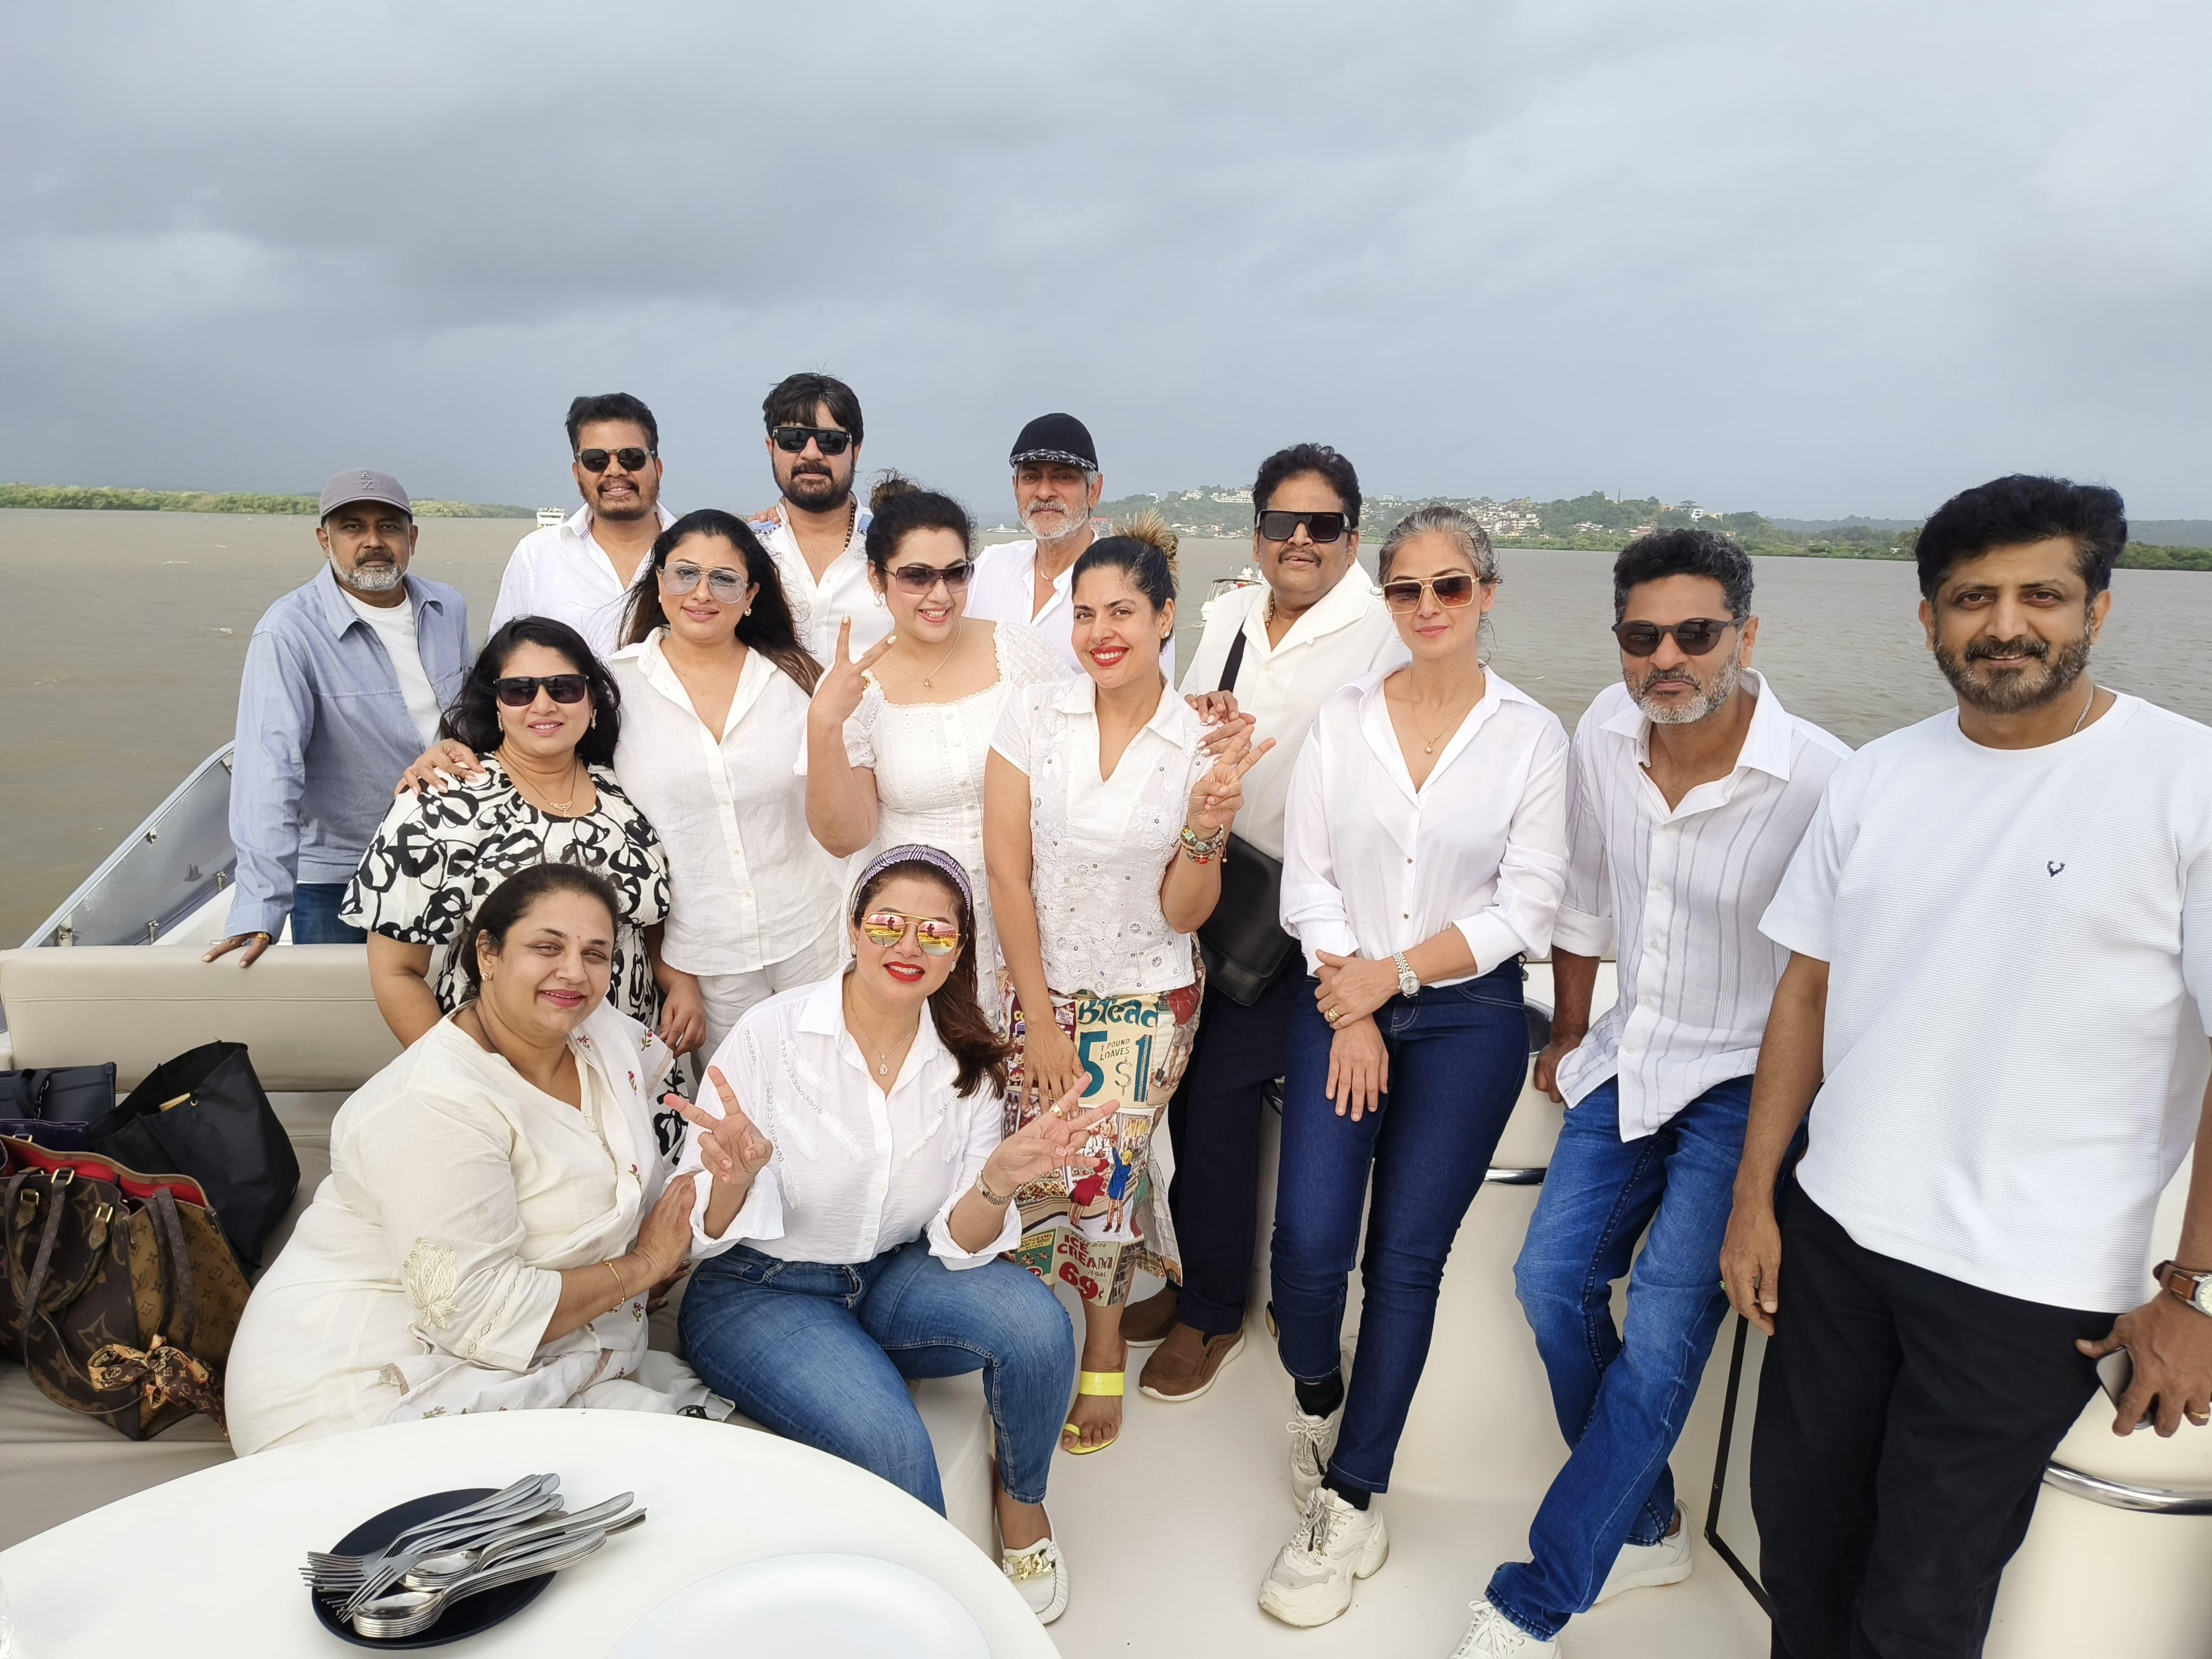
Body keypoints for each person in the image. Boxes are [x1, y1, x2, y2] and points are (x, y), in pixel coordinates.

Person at [1719, 474, 2212, 1659]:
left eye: (2041, 595)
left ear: (2096, 609)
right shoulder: (1878, 776)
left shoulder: (2185, 784)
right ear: (1929, 619)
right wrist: (1754, 1198)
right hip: (1838, 1236)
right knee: (1801, 1549)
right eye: (1971, 598)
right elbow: (1806, 991)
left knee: (1921, 1604)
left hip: (2031, 1283)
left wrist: (2191, 1294)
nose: (2004, 625)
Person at [1457, 531, 1849, 1657]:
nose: (1666, 657)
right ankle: (1646, 1517)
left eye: (1695, 633)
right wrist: (1568, 1029)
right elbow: (1584, 896)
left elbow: (1833, 979)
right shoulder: (1603, 728)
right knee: (1547, 1282)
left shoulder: (1821, 779)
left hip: (1750, 1080)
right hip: (1633, 1050)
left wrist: (1765, 1183)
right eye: (1642, 635)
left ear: (1745, 635)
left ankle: (1538, 1597)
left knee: (1668, 1323)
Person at [1260, 505, 1568, 1629]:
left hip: (1466, 1015)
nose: (1428, 606)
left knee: (1403, 1263)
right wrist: (1354, 1001)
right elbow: (1307, 882)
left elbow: (1525, 908)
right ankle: (1318, 1391)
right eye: (1406, 588)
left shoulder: (1532, 736)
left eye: (1450, 586)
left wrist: (1391, 979)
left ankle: (1351, 1498)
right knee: (1306, 1244)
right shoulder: (1343, 721)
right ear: (1385, 599)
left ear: (1486, 595)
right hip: (1338, 994)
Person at [672, 846, 1105, 1624]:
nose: (909, 946)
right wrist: (732, 1179)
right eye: (888, 924)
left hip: (889, 1272)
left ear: (959, 952)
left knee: (1039, 1326)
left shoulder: (968, 1065)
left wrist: (998, 1180)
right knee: (895, 1449)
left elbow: (957, 1241)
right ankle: (941, 1619)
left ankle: (1021, 1503)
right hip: (760, 1291)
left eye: (936, 933)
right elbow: (697, 1229)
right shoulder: (770, 1034)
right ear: (853, 928)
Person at [225, 864, 724, 1454]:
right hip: (356, 1387)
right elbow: (473, 1314)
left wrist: (729, 1172)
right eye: (547, 947)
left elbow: (625, 1168)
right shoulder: (434, 1104)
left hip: (531, 1350)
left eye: (595, 954)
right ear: (488, 953)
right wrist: (640, 1268)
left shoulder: (602, 1035)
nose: (574, 971)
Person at [983, 517, 1271, 1454]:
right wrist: (1037, 1018)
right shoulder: (1033, 714)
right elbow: (1007, 871)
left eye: (1122, 612)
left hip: (1147, 995)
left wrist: (1207, 826)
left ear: (1164, 618)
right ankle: (1028, 1341)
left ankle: (1102, 1348)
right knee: (1034, 1171)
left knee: (1106, 1175)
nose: (1101, 632)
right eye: (1085, 614)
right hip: (1037, 988)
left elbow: (1186, 912)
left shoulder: (1198, 741)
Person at [1131, 441, 1408, 1405]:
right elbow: (1184, 724)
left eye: (1322, 524)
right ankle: (1200, 1284)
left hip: (1321, 917)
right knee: (1191, 1100)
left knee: (1236, 1104)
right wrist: (1202, 714)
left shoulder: (1384, 634)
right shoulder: (1232, 615)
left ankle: (1230, 1311)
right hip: (1222, 892)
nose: (1300, 539)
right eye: (1282, 522)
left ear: (1352, 538)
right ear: (1256, 533)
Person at [344, 616, 688, 1055]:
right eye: (520, 691)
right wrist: (463, 1074)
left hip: (630, 1060)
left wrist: (680, 983)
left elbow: (650, 918)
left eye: (564, 688)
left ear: (592, 702)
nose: (543, 705)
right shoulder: (442, 802)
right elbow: (396, 973)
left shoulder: (629, 787)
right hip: (495, 1058)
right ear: (497, 706)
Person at [802, 475, 1064, 1013]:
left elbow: (1083, 750)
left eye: (955, 573)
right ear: (877, 577)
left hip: (1026, 908)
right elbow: (845, 836)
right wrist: (824, 724)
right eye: (917, 576)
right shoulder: (855, 685)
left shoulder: (1018, 653)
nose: (940, 595)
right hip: (916, 930)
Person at [207, 469, 471, 967]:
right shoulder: (288, 631)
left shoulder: (446, 608)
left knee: (446, 995)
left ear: (412, 538)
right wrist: (260, 908)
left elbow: (467, 721)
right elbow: (270, 769)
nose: (373, 542)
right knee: (341, 1007)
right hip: (339, 875)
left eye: (389, 527)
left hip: (445, 852)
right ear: (324, 540)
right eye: (353, 527)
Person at [603, 509, 840, 1061]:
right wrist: (449, 752)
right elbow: (537, 753)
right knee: (736, 1100)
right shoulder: (613, 687)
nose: (702, 593)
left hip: (814, 932)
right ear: (659, 581)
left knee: (830, 1082)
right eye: (685, 573)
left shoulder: (798, 679)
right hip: (704, 956)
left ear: (751, 594)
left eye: (724, 579)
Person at [969, 413, 1176, 680]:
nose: (1044, 492)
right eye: (1031, 477)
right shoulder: (987, 568)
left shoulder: (1133, 580)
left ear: (1094, 490)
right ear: (1015, 487)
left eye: (1064, 477)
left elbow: (1154, 694)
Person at [487, 393, 677, 657]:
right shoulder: (536, 556)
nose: (614, 471)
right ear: (578, 475)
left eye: (631, 457)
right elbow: (504, 660)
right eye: (596, 460)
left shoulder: (698, 554)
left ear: (658, 468)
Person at [747, 372, 882, 664]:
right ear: (771, 448)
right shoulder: (744, 550)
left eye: (830, 441)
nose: (811, 454)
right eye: (793, 440)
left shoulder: (894, 545)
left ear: (856, 452)